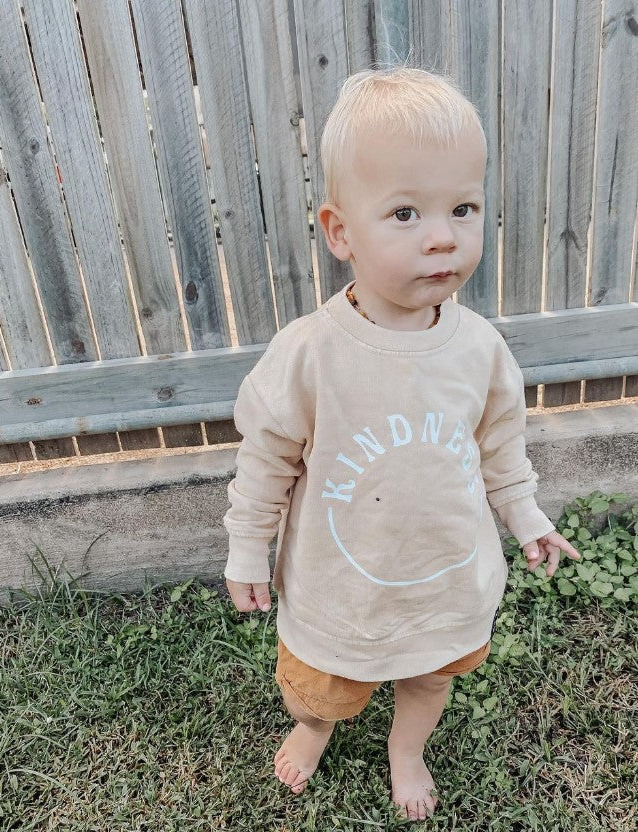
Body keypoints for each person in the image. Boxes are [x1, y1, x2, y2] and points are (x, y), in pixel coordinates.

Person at [223, 67, 581, 822]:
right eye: (405, 212)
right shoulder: (310, 354)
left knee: (430, 678)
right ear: (340, 232)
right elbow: (264, 463)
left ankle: (406, 749)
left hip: (443, 585)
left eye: (462, 208)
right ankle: (313, 729)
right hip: (340, 594)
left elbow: (499, 447)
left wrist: (526, 517)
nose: (442, 235)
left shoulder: (479, 349)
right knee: (316, 691)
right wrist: (247, 549)